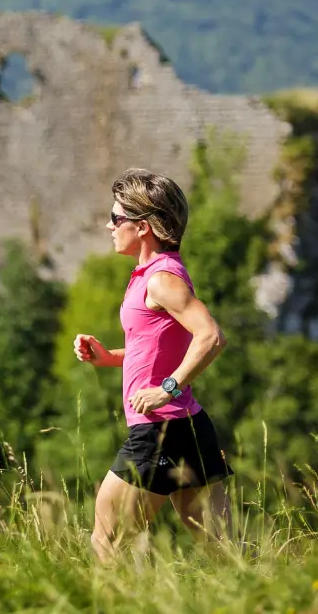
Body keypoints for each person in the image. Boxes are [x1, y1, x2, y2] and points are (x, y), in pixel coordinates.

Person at [72, 169, 232, 561]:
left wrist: (168, 388)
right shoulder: (151, 275)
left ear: (142, 227)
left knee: (108, 542)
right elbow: (159, 344)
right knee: (223, 551)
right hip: (188, 426)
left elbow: (210, 336)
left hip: (160, 429)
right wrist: (111, 357)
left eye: (116, 218)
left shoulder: (160, 280)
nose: (108, 226)